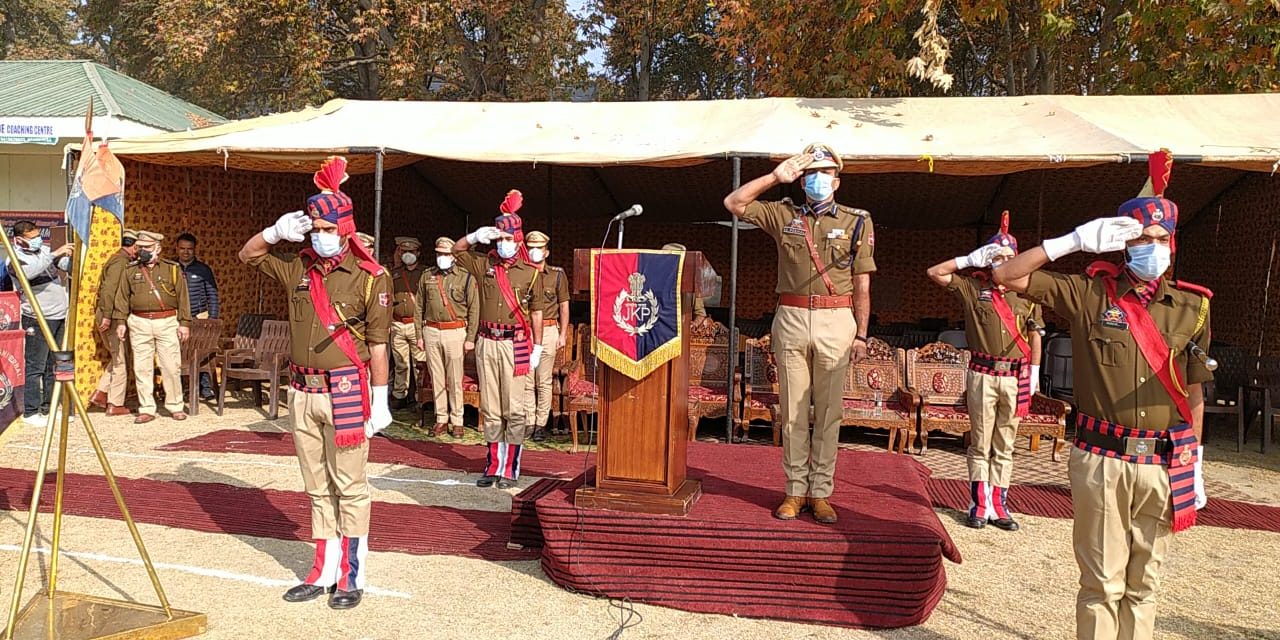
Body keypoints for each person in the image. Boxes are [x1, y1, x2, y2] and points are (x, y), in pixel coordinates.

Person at [993, 150, 1210, 640]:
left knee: (1144, 584)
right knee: (1102, 584)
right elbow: (1006, 277)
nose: (1151, 247)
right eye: (1141, 238)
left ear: (1173, 244)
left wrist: (1193, 458)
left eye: (1160, 239)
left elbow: (1193, 391)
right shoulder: (1091, 295)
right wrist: (1070, 241)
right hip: (1102, 458)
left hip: (1162, 462)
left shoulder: (1192, 307)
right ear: (1122, 242)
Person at [237, 156, 392, 610]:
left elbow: (379, 345)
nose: (320, 236)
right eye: (314, 229)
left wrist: (380, 400)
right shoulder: (297, 269)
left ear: (345, 230)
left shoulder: (370, 278)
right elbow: (248, 256)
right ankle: (322, 569)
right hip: (302, 391)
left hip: (345, 388)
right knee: (315, 485)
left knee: (350, 484)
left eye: (327, 228)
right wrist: (272, 234)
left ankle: (351, 574)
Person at [723, 143, 875, 525]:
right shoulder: (784, 213)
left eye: (825, 173)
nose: (817, 179)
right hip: (791, 314)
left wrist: (861, 334)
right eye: (811, 173)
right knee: (791, 411)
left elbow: (862, 283)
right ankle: (793, 491)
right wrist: (776, 176)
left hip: (836, 318)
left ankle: (820, 492)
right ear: (802, 179)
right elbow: (735, 203)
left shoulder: (858, 220)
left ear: (837, 181)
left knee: (828, 413)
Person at [926, 211, 1042, 531]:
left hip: (1015, 376)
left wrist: (1034, 371)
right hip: (982, 373)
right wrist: (967, 259)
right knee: (980, 441)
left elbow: (1035, 333)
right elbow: (935, 272)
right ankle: (979, 501)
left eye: (1009, 256)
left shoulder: (1028, 292)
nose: (1004, 261)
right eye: (997, 256)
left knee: (1006, 443)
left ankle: (1000, 504)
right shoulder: (972, 287)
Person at [452, 189, 545, 489]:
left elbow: (537, 314)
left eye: (508, 238)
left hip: (514, 343)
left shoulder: (530, 273)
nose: (503, 244)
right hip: (486, 341)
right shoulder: (485, 265)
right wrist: (476, 236)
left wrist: (538, 347)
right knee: (490, 406)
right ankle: (492, 464)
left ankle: (510, 467)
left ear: (518, 240)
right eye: (499, 238)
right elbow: (456, 251)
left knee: (513, 407)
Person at [113, 231, 190, 423]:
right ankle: (146, 408)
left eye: (147, 248)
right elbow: (122, 297)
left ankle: (175, 405)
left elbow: (183, 297)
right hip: (139, 322)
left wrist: (184, 323)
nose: (142, 251)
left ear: (158, 248)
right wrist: (121, 322)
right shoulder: (130, 270)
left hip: (166, 321)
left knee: (171, 366)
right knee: (142, 367)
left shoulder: (171, 269)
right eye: (140, 247)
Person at [9, 221, 73, 426]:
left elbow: (62, 266)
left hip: (59, 315)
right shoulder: (15, 258)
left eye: (38, 236)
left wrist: (71, 258)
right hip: (37, 318)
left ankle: (49, 407)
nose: (37, 240)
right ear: (19, 239)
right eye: (31, 237)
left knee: (54, 364)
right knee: (35, 365)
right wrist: (54, 254)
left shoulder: (43, 250)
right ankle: (31, 410)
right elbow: (28, 273)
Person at [414, 237, 477, 438]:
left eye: (446, 254)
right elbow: (419, 307)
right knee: (436, 377)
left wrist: (470, 337)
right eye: (439, 253)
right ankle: (441, 418)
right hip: (431, 330)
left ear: (454, 256)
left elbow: (474, 309)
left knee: (454, 377)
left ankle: (457, 420)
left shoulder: (466, 277)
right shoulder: (427, 276)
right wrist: (419, 335)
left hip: (455, 331)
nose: (442, 257)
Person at [524, 230, 568, 442]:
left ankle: (541, 424)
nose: (534, 252)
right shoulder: (521, 273)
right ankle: (528, 422)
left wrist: (563, 333)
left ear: (546, 252)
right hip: (525, 332)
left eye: (538, 248)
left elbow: (564, 305)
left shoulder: (557, 275)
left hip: (549, 329)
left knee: (543, 381)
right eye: (531, 247)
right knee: (525, 380)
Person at [91, 229, 139, 415]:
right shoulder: (120, 262)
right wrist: (107, 315)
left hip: (109, 313)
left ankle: (101, 393)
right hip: (110, 315)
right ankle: (115, 403)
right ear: (133, 246)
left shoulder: (119, 259)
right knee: (120, 360)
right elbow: (109, 290)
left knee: (117, 357)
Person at [176, 232, 220, 400]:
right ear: (177, 249)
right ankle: (179, 389)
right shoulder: (171, 267)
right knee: (178, 354)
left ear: (194, 250)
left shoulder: (203, 269)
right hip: (178, 318)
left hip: (200, 317)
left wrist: (213, 319)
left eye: (189, 249)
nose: (186, 252)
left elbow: (213, 295)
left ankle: (206, 388)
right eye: (182, 249)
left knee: (201, 352)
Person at [389, 237, 427, 409]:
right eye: (404, 252)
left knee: (419, 363)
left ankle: (421, 396)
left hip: (416, 324)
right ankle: (400, 394)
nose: (407, 255)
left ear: (418, 253)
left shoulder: (425, 273)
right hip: (397, 323)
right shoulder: (394, 273)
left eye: (411, 252)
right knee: (400, 363)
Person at [661, 242, 711, 328]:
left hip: (679, 334)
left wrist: (694, 324)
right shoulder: (655, 281)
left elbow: (700, 313)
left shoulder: (691, 285)